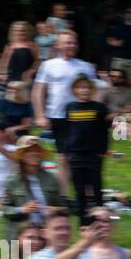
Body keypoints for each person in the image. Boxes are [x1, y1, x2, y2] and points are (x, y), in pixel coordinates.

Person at [31, 32, 97, 191]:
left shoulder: (85, 67)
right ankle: (62, 195)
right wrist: (40, 115)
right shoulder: (48, 65)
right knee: (63, 158)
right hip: (58, 116)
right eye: (67, 43)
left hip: (81, 116)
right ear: (58, 45)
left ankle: (87, 194)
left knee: (82, 157)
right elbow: (38, 91)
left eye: (73, 43)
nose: (71, 46)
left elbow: (95, 91)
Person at [62, 75, 111, 221]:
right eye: (81, 87)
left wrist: (103, 151)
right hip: (75, 154)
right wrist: (67, 151)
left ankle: (100, 218)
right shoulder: (70, 107)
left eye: (88, 87)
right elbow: (67, 130)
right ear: (74, 90)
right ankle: (83, 220)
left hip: (94, 154)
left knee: (96, 187)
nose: (84, 90)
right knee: (79, 189)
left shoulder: (99, 108)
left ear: (92, 90)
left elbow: (104, 131)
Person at [2, 136, 64, 240]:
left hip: (46, 232)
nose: (34, 153)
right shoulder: (12, 181)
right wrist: (22, 209)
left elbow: (63, 206)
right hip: (23, 234)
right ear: (22, 155)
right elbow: (5, 210)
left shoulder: (51, 178)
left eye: (37, 150)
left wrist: (55, 210)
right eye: (29, 151)